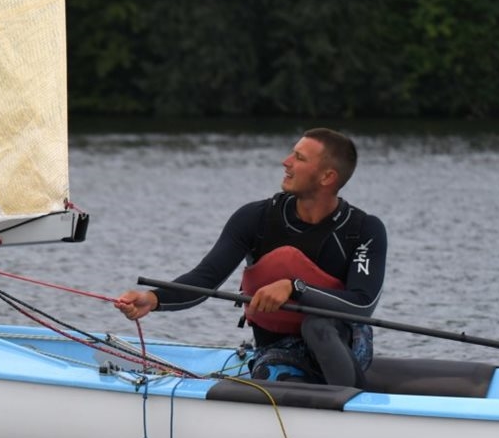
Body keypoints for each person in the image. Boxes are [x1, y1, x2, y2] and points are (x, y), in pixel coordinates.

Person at [115, 128, 386, 388]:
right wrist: (153, 299)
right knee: (270, 373)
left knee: (318, 325)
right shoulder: (255, 218)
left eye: (299, 158)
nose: (286, 162)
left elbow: (362, 305)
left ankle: (356, 405)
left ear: (327, 177)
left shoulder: (364, 230)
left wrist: (294, 288)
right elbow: (205, 279)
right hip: (278, 347)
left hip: (343, 344)